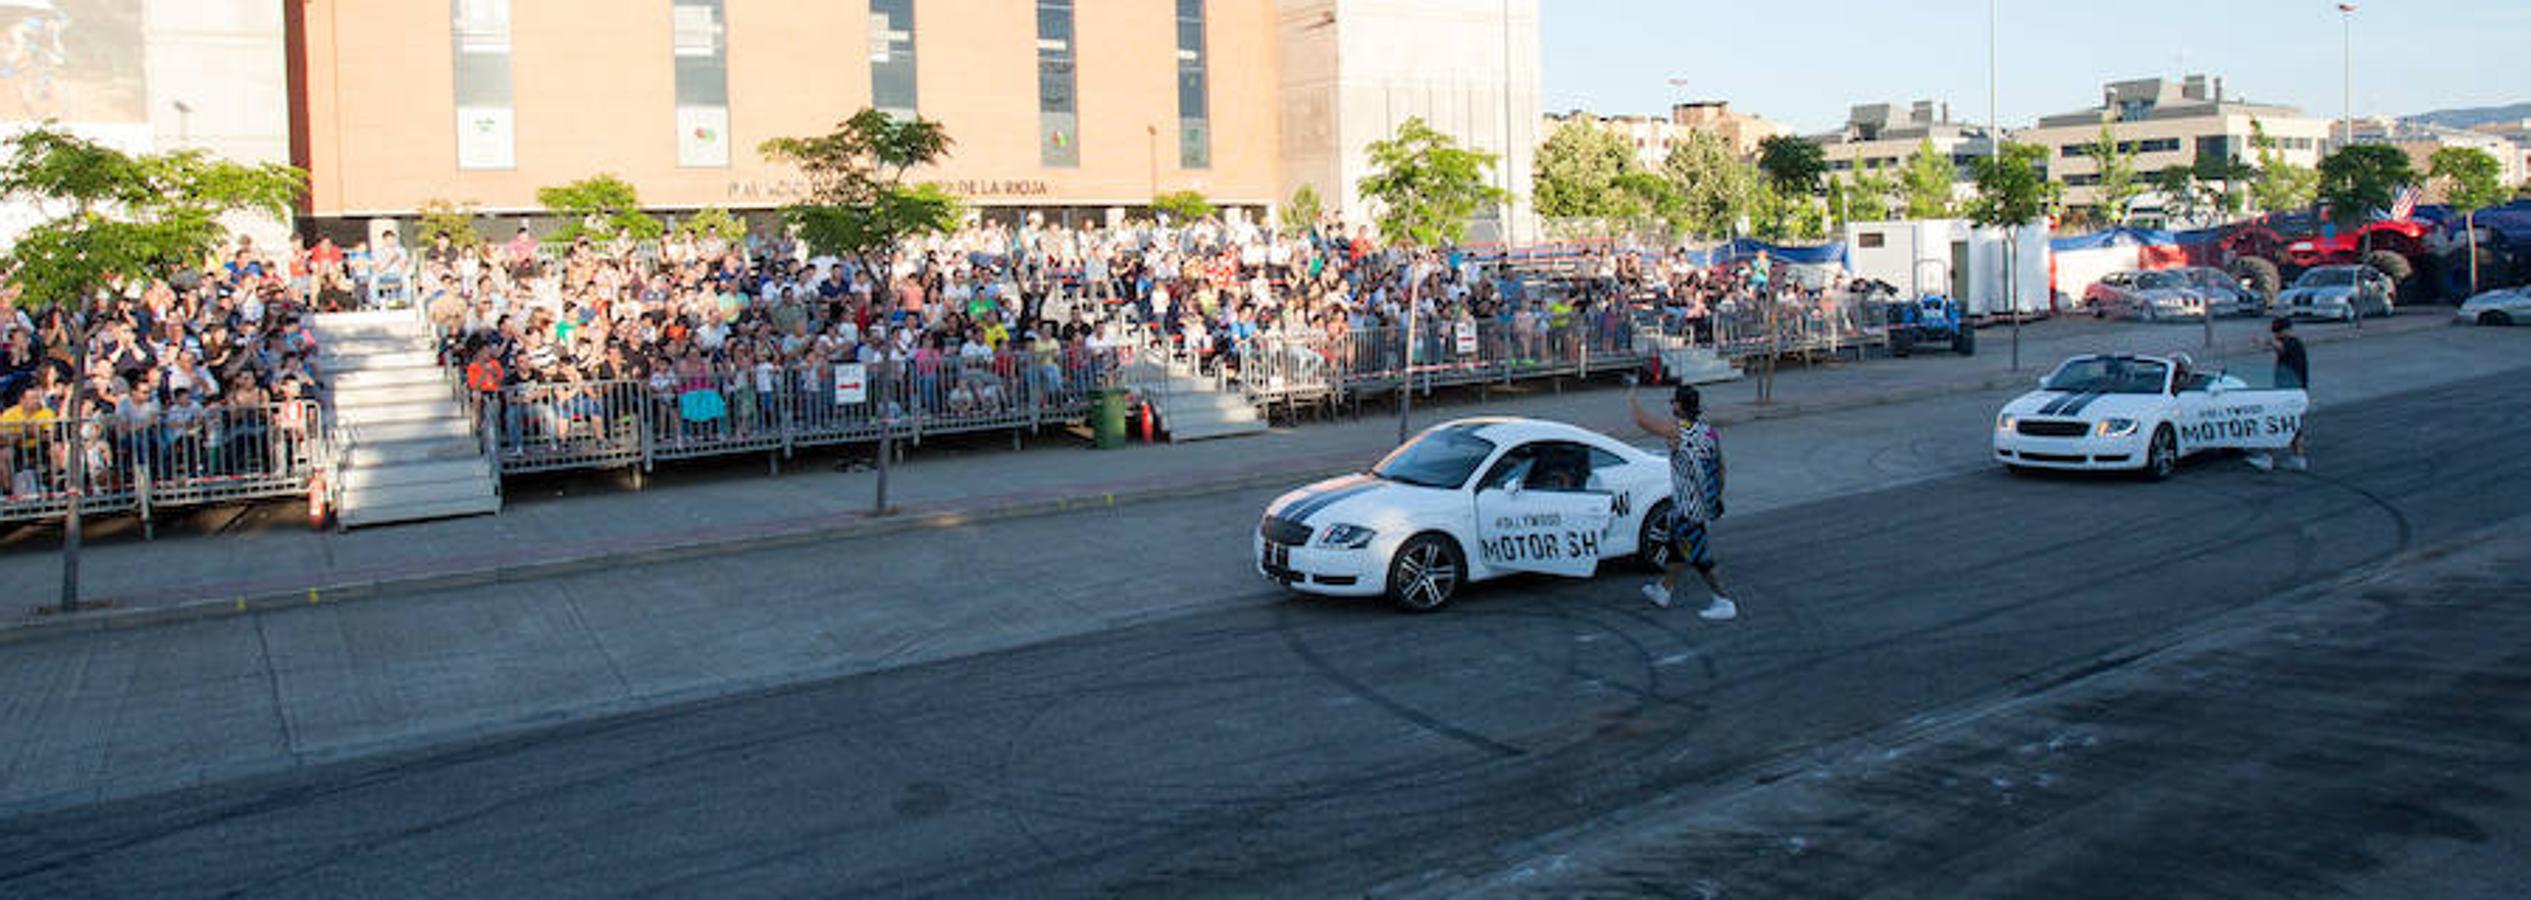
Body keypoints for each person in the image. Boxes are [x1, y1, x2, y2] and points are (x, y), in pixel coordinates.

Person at [1628, 380, 1737, 620]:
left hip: (1688, 508)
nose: (1671, 407)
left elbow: (1642, 422)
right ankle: (1664, 590)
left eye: (1673, 403)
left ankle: (1723, 600)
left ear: (1678, 405)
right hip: (1699, 504)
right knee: (1678, 548)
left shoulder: (1678, 430)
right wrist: (1716, 496)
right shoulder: (1707, 431)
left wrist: (1631, 397)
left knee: (1700, 557)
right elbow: (1721, 466)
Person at [2248, 317, 2310, 472]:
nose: (2276, 335)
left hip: (2288, 392)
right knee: (2292, 425)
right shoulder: (2296, 344)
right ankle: (2298, 458)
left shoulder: (2292, 344)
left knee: (2272, 422)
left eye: (2277, 332)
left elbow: (2280, 347)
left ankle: (2267, 457)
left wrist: (2264, 341)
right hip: (2295, 392)